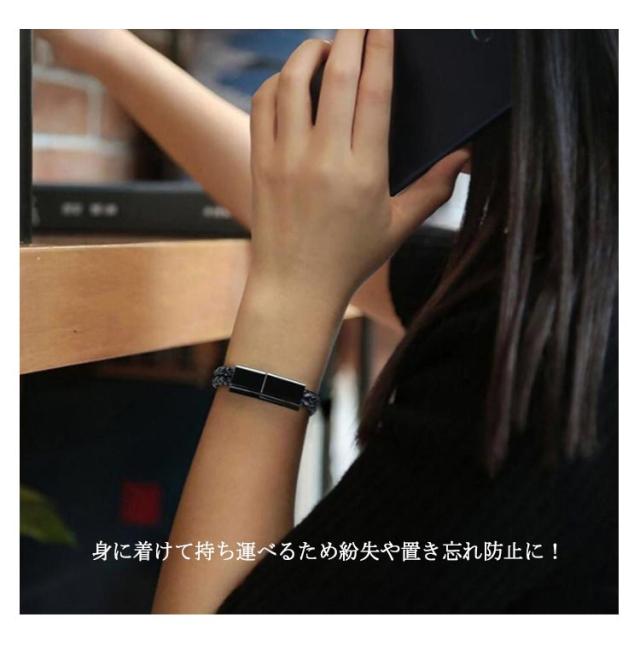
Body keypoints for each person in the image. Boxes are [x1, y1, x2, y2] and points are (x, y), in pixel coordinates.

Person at [39, 29, 618, 614]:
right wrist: (98, 46)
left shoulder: (541, 362)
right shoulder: (576, 287)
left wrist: (293, 293)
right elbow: (323, 234)